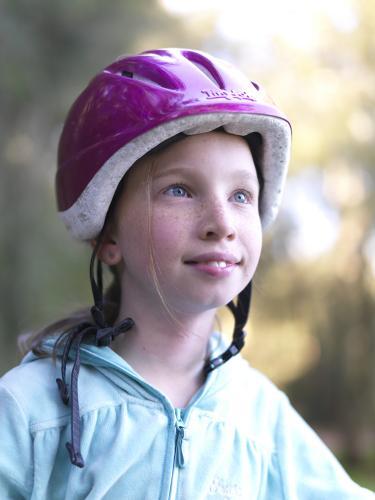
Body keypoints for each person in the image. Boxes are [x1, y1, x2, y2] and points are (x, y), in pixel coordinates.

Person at [0, 48, 373, 500]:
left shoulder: (261, 418)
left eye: (240, 195)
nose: (222, 222)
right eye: (180, 190)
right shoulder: (31, 410)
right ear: (107, 237)